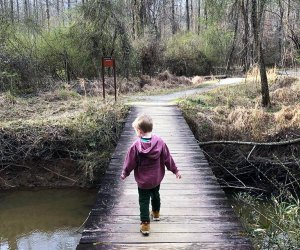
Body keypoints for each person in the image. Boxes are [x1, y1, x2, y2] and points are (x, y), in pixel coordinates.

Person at [121, 113, 181, 236]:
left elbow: (130, 162)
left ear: (140, 131)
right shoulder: (160, 142)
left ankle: (145, 225)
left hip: (143, 182)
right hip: (156, 178)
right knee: (155, 194)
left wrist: (125, 173)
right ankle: (156, 213)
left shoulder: (135, 146)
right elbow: (167, 158)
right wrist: (175, 170)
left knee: (143, 201)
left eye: (136, 130)